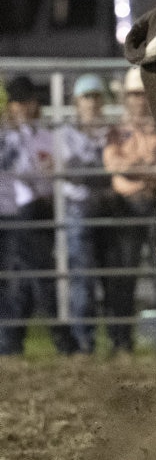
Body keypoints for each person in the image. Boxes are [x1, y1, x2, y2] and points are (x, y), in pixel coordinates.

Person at [103, 66, 156, 351]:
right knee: (124, 274)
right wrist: (147, 170)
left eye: (142, 94)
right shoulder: (118, 131)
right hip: (127, 207)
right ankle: (122, 341)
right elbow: (113, 165)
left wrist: (135, 169)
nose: (139, 100)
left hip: (155, 205)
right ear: (126, 98)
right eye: (134, 95)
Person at [0, 75, 77, 356]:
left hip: (37, 211)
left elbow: (52, 174)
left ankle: (12, 341)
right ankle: (61, 338)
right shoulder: (8, 138)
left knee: (25, 277)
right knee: (35, 277)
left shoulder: (44, 136)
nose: (24, 107)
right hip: (17, 213)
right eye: (19, 102)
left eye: (27, 101)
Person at [59, 73, 114, 354]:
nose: (91, 103)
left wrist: (94, 172)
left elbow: (78, 170)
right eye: (86, 97)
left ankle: (117, 340)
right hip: (81, 210)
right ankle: (84, 341)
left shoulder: (111, 133)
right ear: (76, 103)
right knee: (82, 278)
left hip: (105, 208)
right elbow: (73, 170)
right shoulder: (68, 133)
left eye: (95, 97)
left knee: (112, 277)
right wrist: (108, 171)